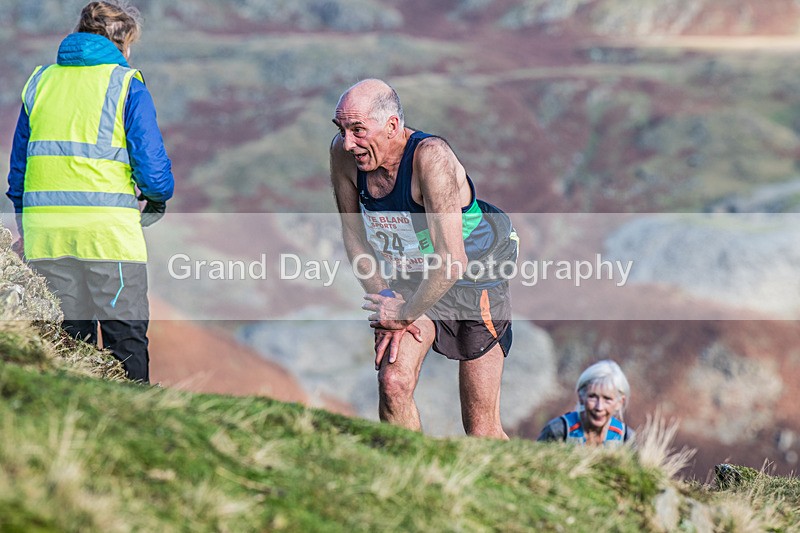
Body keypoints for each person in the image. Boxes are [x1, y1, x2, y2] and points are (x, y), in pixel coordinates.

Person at [330, 79, 518, 438]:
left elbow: (452, 261)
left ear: (393, 126)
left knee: (481, 430)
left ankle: (524, 491)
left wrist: (403, 315)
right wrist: (385, 300)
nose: (348, 142)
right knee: (393, 381)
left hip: (475, 275)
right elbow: (353, 235)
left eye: (357, 130)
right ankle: (408, 478)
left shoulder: (431, 158)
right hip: (416, 273)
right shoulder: (343, 152)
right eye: (341, 129)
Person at [6, 0, 174, 383]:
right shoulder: (125, 83)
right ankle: (134, 424)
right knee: (125, 338)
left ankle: (74, 426)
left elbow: (20, 171)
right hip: (107, 237)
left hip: (47, 233)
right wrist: (158, 198)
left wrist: (25, 221)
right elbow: (152, 169)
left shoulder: (40, 82)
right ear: (124, 43)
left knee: (67, 342)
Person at [537, 360, 635, 446]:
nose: (599, 407)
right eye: (592, 397)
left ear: (619, 403)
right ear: (581, 396)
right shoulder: (559, 430)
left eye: (607, 399)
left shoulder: (625, 438)